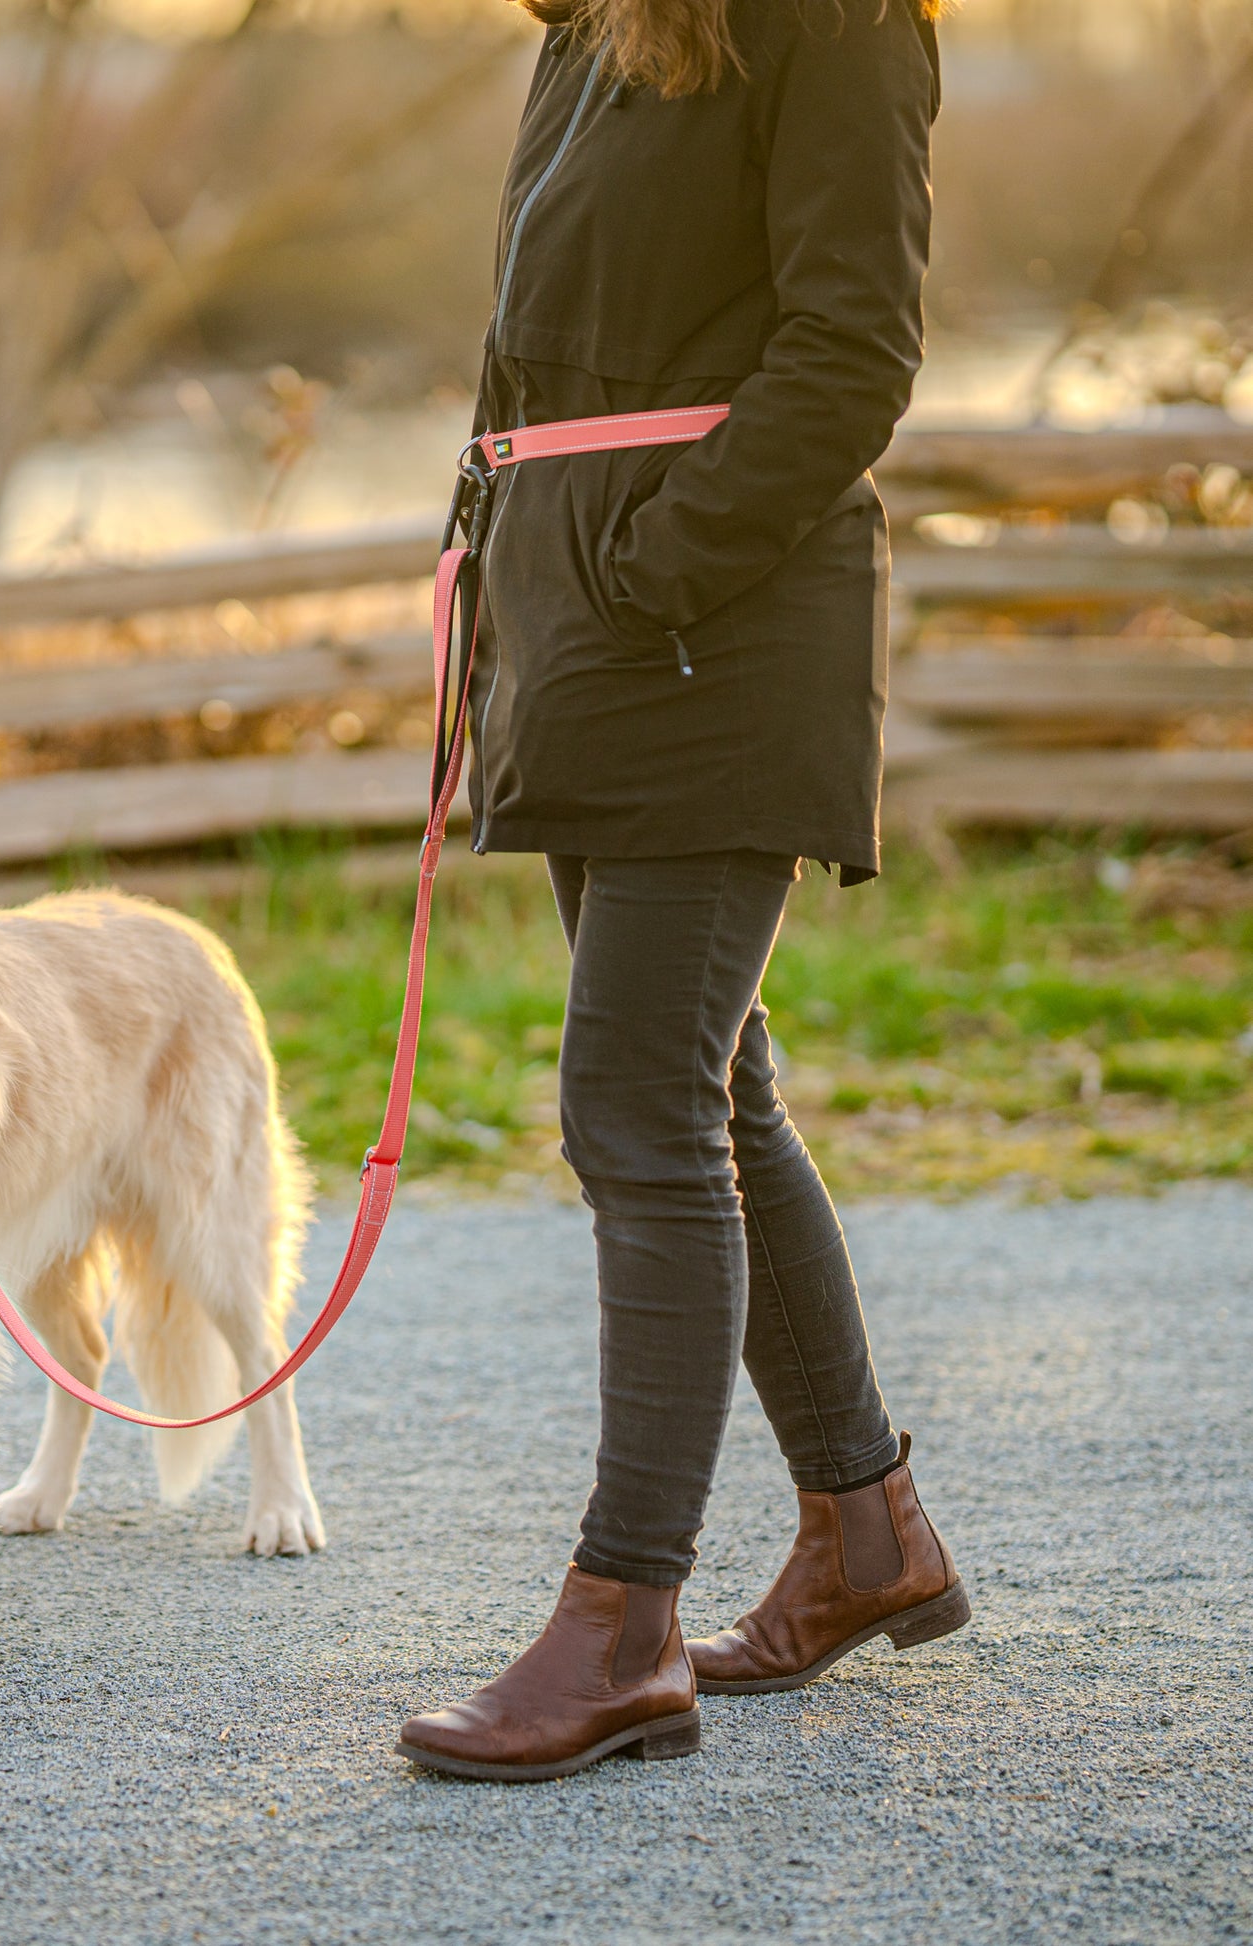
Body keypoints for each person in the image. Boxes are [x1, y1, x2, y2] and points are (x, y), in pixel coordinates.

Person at [396, 0, 967, 1781]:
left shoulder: (842, 25)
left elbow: (853, 347)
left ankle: (620, 1624)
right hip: (580, 625)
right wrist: (509, 596)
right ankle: (865, 1529)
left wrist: (659, 570)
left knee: (635, 1100)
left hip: (717, 627)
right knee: (711, 1082)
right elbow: (538, 364)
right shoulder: (594, 32)